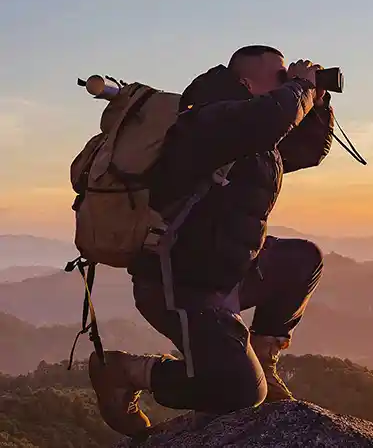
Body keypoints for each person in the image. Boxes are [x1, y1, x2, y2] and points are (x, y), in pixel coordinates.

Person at [88, 45, 334, 437]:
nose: (287, 84)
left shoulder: (248, 132)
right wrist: (300, 89)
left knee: (304, 258)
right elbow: (269, 119)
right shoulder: (206, 120)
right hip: (181, 285)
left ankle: (265, 361)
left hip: (229, 269)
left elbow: (307, 150)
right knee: (238, 391)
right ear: (246, 81)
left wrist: (316, 101)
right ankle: (123, 372)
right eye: (280, 77)